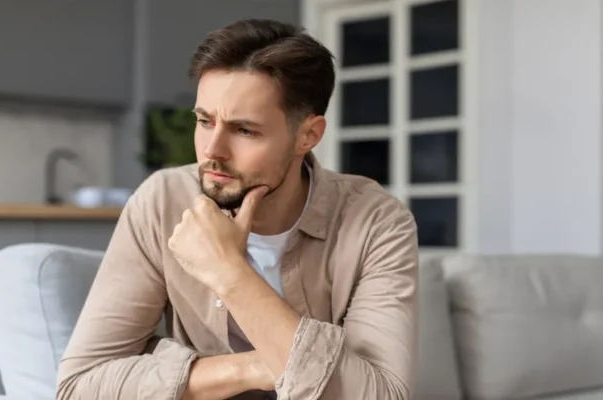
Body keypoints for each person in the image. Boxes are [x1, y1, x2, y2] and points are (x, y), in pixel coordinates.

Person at [56, 18, 418, 400]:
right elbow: (80, 386)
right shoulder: (162, 202)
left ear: (308, 135)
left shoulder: (377, 221)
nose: (212, 151)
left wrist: (228, 272)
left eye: (245, 130)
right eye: (204, 121)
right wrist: (259, 366)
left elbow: (383, 396)